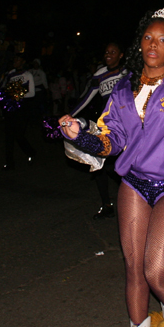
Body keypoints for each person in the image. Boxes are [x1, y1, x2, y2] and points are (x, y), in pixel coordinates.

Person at [58, 8, 164, 327]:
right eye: (148, 37)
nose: (154, 45)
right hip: (133, 182)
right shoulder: (121, 90)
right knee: (134, 269)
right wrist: (81, 135)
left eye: (163, 40)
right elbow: (111, 141)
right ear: (139, 44)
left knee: (157, 272)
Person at [70, 42, 127, 219]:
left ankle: (138, 198)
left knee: (124, 165)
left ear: (121, 55)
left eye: (113, 51)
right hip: (108, 125)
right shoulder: (99, 75)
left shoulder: (129, 72)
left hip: (129, 125)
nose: (108, 54)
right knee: (99, 165)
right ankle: (106, 204)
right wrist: (68, 116)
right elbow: (85, 98)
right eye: (106, 51)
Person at [0, 53, 36, 170]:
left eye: (18, 59)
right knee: (8, 135)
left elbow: (32, 93)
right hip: (10, 108)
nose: (15, 61)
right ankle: (9, 163)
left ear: (23, 61)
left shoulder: (27, 74)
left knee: (19, 135)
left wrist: (18, 96)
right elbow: (4, 89)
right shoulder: (10, 74)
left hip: (22, 108)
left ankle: (30, 152)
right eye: (14, 59)